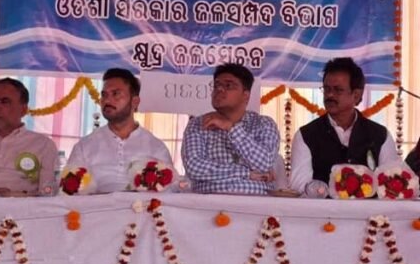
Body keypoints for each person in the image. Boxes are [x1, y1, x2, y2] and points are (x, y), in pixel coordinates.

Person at [290, 57, 402, 194]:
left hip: (370, 208)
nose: (330, 95)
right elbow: (299, 185)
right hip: (323, 207)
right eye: (326, 89)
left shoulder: (380, 135)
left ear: (356, 95)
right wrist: (326, 191)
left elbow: (391, 183)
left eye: (338, 90)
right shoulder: (306, 135)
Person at [65, 68, 172, 193]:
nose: (107, 100)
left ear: (135, 102)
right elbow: (68, 192)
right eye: (104, 95)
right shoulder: (85, 147)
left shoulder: (156, 148)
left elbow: (169, 194)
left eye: (116, 94)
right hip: (96, 205)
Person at [183, 63, 279, 195]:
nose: (219, 89)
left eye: (228, 85)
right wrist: (247, 173)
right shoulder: (197, 124)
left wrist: (231, 128)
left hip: (257, 202)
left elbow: (264, 163)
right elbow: (194, 167)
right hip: (209, 202)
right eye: (216, 85)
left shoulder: (264, 124)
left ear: (246, 95)